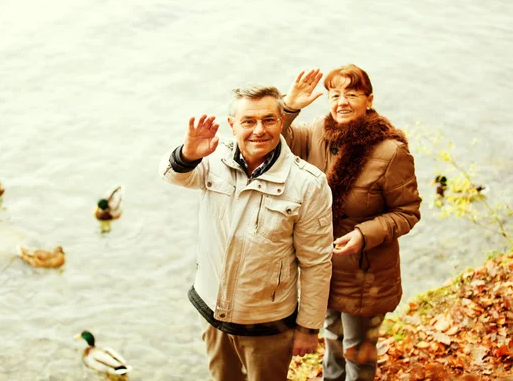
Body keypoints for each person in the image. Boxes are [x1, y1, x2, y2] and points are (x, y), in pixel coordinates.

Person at [159, 83, 334, 381]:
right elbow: (174, 175)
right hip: (213, 313)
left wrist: (308, 327)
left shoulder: (309, 183)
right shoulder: (212, 158)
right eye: (248, 121)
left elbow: (316, 262)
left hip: (268, 323)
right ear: (232, 124)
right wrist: (188, 153)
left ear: (281, 121)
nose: (259, 130)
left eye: (268, 120)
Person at [281, 64, 422, 381]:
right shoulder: (317, 132)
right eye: (335, 94)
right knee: (332, 339)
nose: (342, 102)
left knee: (357, 352)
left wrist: (363, 234)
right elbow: (274, 136)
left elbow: (408, 211)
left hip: (365, 273)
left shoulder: (390, 151)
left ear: (369, 100)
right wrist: (290, 105)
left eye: (352, 94)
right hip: (324, 267)